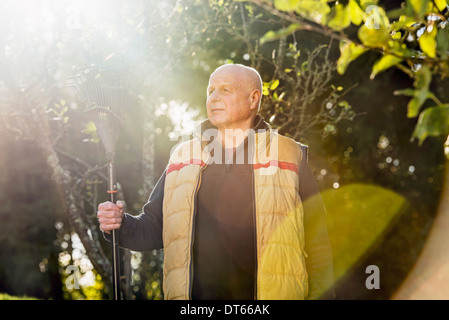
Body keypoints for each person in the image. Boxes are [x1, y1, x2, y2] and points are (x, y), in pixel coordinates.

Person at [97, 63, 335, 300]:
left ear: (253, 99)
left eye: (225, 90)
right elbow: (153, 228)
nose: (214, 98)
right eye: (210, 91)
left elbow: (318, 246)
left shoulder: (289, 154)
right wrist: (120, 225)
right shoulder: (183, 156)